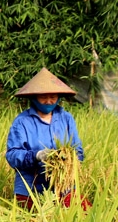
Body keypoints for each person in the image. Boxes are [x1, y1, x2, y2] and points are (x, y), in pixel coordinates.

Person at [5, 67, 87, 211]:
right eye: (43, 97)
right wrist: (37, 156)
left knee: (81, 216)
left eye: (53, 97)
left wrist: (68, 158)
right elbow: (12, 155)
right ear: (34, 97)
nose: (49, 101)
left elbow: (78, 149)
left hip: (63, 186)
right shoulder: (22, 121)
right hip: (30, 188)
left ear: (59, 97)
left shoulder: (66, 118)